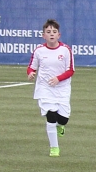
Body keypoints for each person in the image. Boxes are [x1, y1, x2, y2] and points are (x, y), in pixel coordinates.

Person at [26, 19, 74, 157]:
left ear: (59, 35)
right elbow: (31, 67)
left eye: (54, 31)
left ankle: (60, 126)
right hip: (45, 88)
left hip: (62, 88)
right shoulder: (39, 51)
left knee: (63, 119)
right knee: (51, 116)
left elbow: (70, 70)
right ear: (43, 35)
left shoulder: (66, 50)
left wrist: (58, 78)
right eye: (48, 32)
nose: (51, 34)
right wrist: (30, 73)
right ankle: (54, 148)